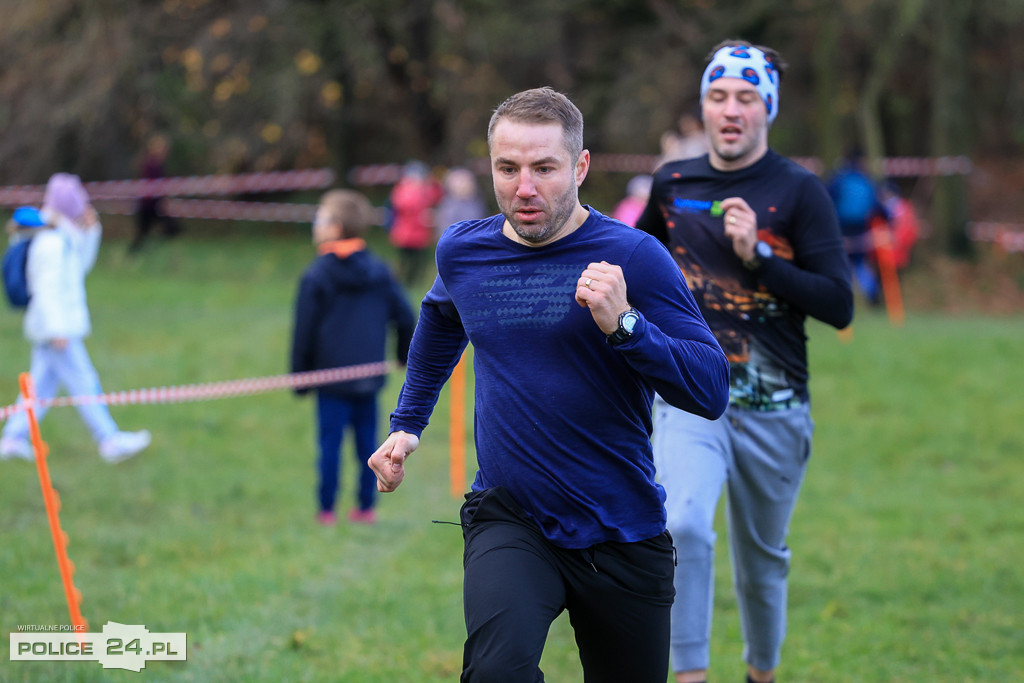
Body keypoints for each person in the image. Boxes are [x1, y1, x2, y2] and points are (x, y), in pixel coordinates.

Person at [368, 86, 730, 683]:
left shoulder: (634, 257)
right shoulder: (465, 252)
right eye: (507, 168)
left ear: (580, 167)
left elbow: (710, 388)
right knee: (495, 674)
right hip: (512, 517)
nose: (524, 188)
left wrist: (627, 326)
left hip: (621, 525)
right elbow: (439, 317)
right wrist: (407, 423)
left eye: (544, 168)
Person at [635, 41, 854, 683]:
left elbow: (839, 305)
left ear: (768, 109)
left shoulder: (800, 191)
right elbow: (632, 259)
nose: (731, 109)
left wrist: (760, 256)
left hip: (776, 407)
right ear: (703, 107)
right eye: (718, 96)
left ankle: (761, 672)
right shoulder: (673, 184)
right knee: (683, 525)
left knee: (762, 563)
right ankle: (691, 675)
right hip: (690, 396)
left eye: (746, 97)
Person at [0, 174, 152, 463]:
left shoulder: (61, 235)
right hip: (56, 329)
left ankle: (12, 439)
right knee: (84, 381)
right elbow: (45, 289)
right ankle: (109, 439)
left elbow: (80, 267)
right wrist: (57, 329)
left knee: (40, 388)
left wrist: (91, 232)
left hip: (54, 327)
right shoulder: (50, 241)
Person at [290, 189, 416, 526]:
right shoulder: (380, 271)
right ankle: (366, 508)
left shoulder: (315, 275)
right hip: (367, 379)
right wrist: (404, 355)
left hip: (330, 382)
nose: (315, 223)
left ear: (335, 226)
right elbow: (406, 317)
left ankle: (326, 511)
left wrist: (299, 377)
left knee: (329, 445)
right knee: (367, 446)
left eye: (320, 217)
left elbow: (303, 331)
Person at [825, 147, 887, 305]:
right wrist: (888, 221)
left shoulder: (839, 179)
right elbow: (877, 206)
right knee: (860, 263)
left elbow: (826, 200)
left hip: (840, 227)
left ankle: (837, 297)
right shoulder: (867, 181)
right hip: (861, 228)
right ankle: (872, 295)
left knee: (840, 262)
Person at [387, 160, 443, 287]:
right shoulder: (403, 190)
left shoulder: (426, 189)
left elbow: (437, 194)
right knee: (406, 259)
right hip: (406, 233)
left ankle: (414, 281)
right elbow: (403, 205)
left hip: (419, 233)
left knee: (419, 260)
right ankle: (404, 280)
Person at [129, 134, 183, 254]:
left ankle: (165, 253)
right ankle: (133, 255)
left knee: (172, 229)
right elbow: (152, 185)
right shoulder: (149, 165)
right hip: (148, 205)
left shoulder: (160, 165)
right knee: (142, 233)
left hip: (155, 204)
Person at [434, 166, 488, 238]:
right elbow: (446, 231)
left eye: (469, 181)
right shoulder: (450, 206)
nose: (467, 184)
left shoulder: (475, 202)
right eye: (462, 182)